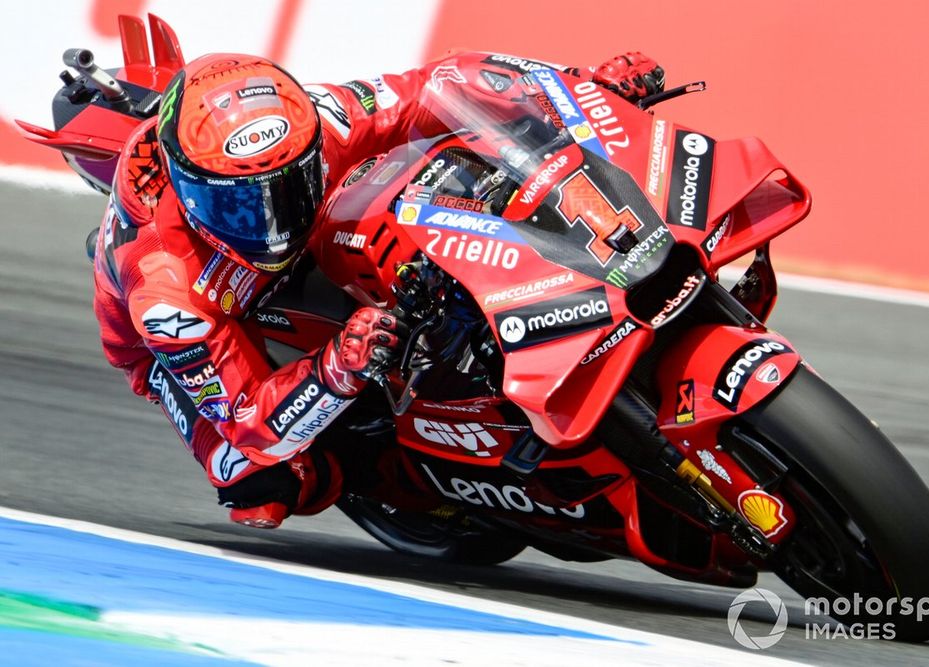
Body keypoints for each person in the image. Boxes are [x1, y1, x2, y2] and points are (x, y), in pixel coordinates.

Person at [92, 49, 665, 529]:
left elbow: (440, 84)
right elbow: (250, 421)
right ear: (190, 191)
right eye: (239, 202)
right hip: (208, 319)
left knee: (449, 171)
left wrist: (576, 90)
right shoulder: (165, 292)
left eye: (288, 186)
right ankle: (410, 480)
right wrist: (336, 369)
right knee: (263, 481)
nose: (271, 221)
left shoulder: (323, 117)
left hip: (324, 234)